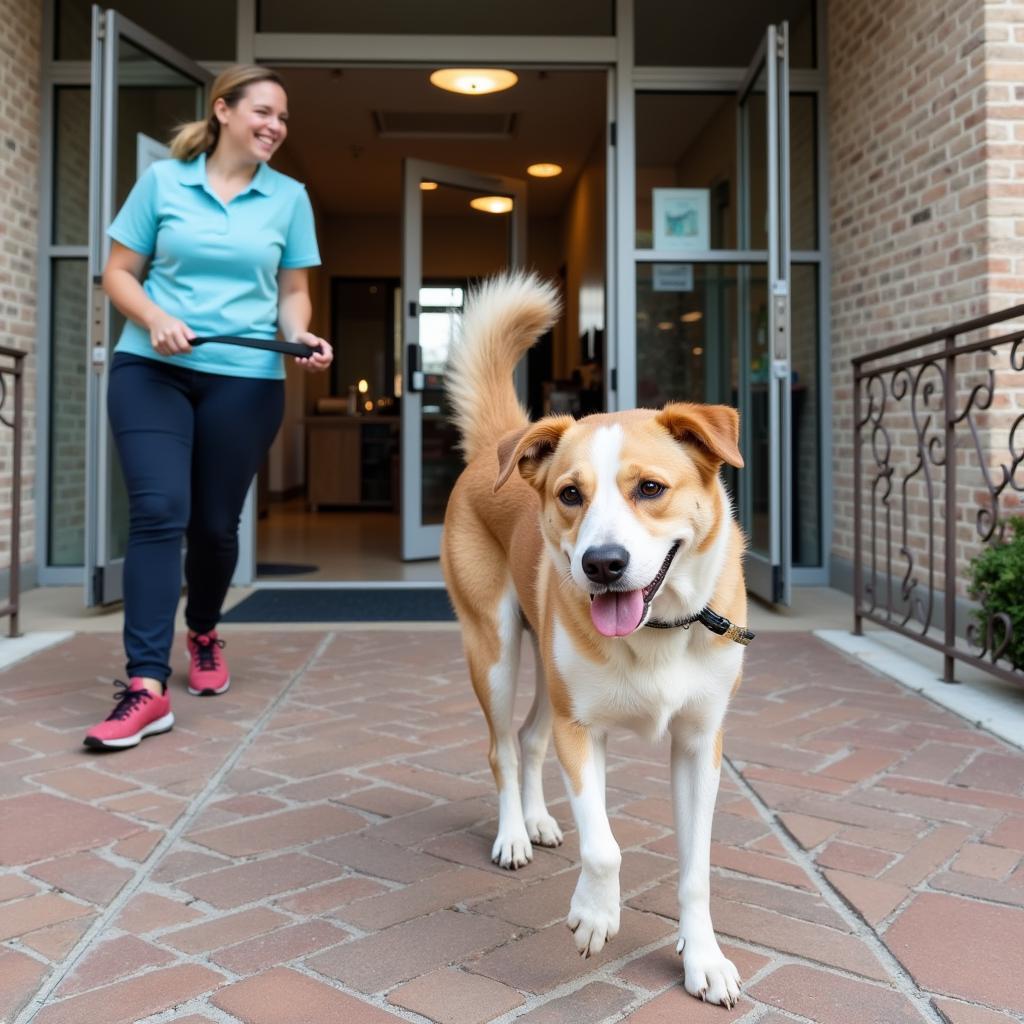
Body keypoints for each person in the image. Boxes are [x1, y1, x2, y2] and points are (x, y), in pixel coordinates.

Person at [84, 65, 332, 751]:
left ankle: (204, 631)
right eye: (262, 111)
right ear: (222, 110)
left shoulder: (289, 198)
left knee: (217, 527)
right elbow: (117, 272)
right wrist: (156, 317)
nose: (275, 126)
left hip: (246, 378)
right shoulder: (165, 181)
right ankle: (145, 685)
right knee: (159, 512)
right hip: (153, 368)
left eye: (283, 117)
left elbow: (291, 291)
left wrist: (300, 333)